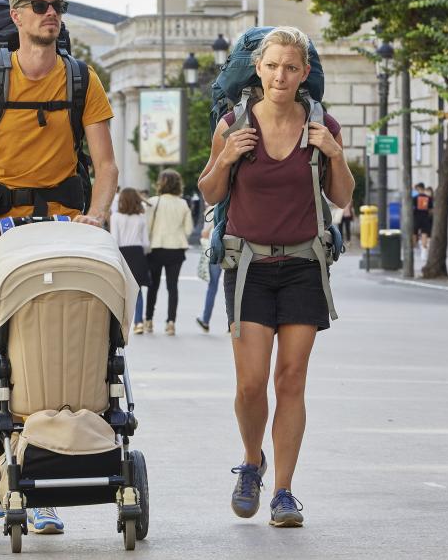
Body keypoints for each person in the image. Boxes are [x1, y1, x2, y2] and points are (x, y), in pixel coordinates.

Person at [0, 0, 118, 535]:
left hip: (66, 222)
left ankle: (68, 445)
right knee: (2, 349)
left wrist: (96, 215)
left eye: (58, 6)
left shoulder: (81, 78)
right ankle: (6, 461)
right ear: (17, 16)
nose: (52, 13)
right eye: (41, 7)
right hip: (1, 226)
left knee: (77, 331)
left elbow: (105, 163)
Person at [198, 26, 354, 527]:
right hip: (248, 268)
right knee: (249, 385)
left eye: (291, 67)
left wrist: (334, 152)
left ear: (304, 73)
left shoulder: (322, 125)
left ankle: (284, 492)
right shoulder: (233, 123)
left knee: (290, 380)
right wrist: (226, 155)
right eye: (272, 66)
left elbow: (343, 197)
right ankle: (251, 461)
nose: (281, 75)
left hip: (304, 268)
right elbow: (208, 191)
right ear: (258, 70)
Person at [144, 169, 193, 336]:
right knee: (173, 287)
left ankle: (148, 320)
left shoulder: (153, 202)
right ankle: (171, 322)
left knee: (153, 286)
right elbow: (188, 229)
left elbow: (147, 227)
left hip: (156, 248)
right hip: (176, 249)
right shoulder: (183, 204)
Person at [110, 188, 150, 334]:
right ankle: (139, 322)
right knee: (137, 290)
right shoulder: (141, 217)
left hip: (122, 254)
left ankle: (120, 324)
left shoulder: (115, 217)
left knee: (121, 291)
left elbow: (114, 240)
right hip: (138, 253)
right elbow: (146, 242)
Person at [196, 206, 222, 332]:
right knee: (234, 286)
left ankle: (205, 320)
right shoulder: (232, 203)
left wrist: (208, 228)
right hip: (232, 247)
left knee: (213, 286)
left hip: (215, 249)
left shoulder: (212, 209)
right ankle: (231, 324)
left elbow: (205, 233)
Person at [413, 182, 433, 261]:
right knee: (424, 233)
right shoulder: (428, 198)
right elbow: (431, 210)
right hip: (425, 218)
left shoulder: (415, 198)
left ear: (418, 189)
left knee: (414, 233)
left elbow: (412, 208)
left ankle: (414, 249)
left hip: (416, 217)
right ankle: (424, 251)